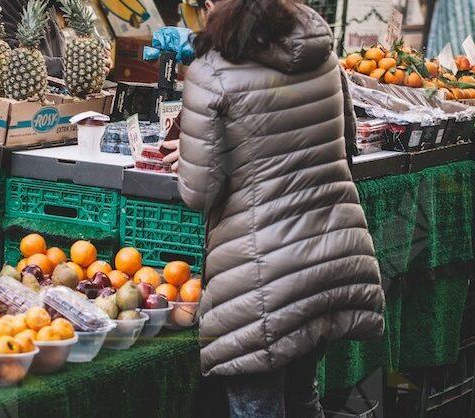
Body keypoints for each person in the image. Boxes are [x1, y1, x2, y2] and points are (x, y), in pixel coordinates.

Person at [163, 0, 385, 416]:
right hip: (329, 254)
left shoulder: (210, 73)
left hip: (263, 275)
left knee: (256, 406)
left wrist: (196, 153)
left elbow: (199, 191)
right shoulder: (324, 57)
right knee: (303, 395)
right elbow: (347, 145)